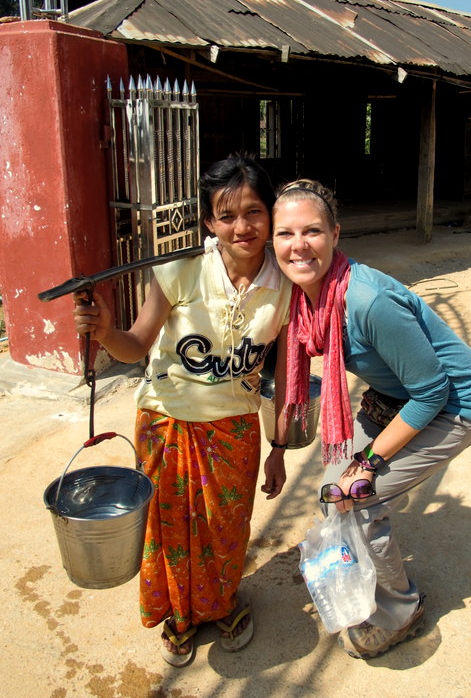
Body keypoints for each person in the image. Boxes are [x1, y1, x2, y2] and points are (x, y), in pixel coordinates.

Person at [73, 155, 292, 667]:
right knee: (169, 528)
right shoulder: (179, 270)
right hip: (166, 421)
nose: (243, 227)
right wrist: (106, 332)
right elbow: (136, 345)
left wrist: (279, 446)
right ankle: (179, 612)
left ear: (271, 213)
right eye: (227, 215)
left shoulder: (285, 282)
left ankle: (219, 603)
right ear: (208, 222)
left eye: (255, 212)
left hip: (235, 426)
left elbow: (287, 374)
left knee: (226, 526)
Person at [267, 179, 471, 659]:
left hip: (454, 404)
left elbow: (432, 390)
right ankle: (363, 565)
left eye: (312, 231)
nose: (298, 245)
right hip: (397, 398)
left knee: (357, 497)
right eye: (284, 234)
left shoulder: (367, 302)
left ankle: (400, 612)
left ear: (335, 233)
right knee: (332, 494)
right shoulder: (302, 298)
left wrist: (368, 462)